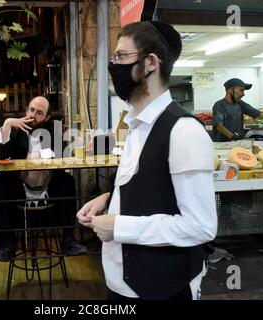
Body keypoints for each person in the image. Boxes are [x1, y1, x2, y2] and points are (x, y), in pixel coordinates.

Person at [77, 21, 217, 300]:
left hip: (161, 288)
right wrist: (109, 198)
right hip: (123, 284)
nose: (114, 66)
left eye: (120, 57)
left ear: (150, 62)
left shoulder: (183, 131)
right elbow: (151, 185)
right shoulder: (138, 126)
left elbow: (200, 225)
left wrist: (119, 226)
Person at [0, 96, 88, 260]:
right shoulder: (14, 129)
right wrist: (7, 124)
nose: (33, 115)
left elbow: (62, 152)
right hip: (19, 187)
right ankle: (7, 245)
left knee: (66, 181)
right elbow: (1, 156)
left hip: (48, 186)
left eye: (39, 112)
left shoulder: (53, 129)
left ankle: (68, 240)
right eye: (31, 110)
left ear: (47, 117)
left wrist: (38, 155)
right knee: (1, 185)